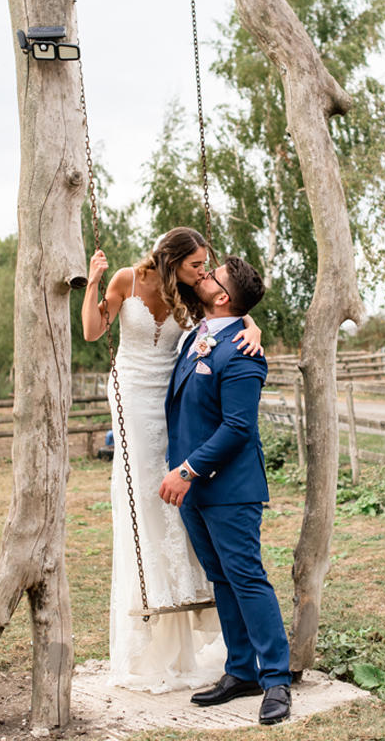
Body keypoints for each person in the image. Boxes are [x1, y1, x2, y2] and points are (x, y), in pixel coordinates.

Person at [81, 228, 263, 693]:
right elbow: (92, 331)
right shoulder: (127, 279)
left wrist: (251, 325)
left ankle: (183, 594)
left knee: (176, 493)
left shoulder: (190, 294)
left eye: (206, 266)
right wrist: (93, 284)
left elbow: (229, 315)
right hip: (131, 392)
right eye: (196, 264)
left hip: (172, 396)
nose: (203, 272)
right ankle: (149, 601)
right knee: (141, 493)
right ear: (173, 259)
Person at [159, 256, 292, 726]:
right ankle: (241, 670)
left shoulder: (243, 353)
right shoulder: (203, 332)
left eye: (212, 275)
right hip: (193, 488)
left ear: (222, 296)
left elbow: (238, 427)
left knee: (247, 579)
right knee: (221, 579)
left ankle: (276, 678)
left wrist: (187, 471)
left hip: (227, 487)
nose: (203, 274)